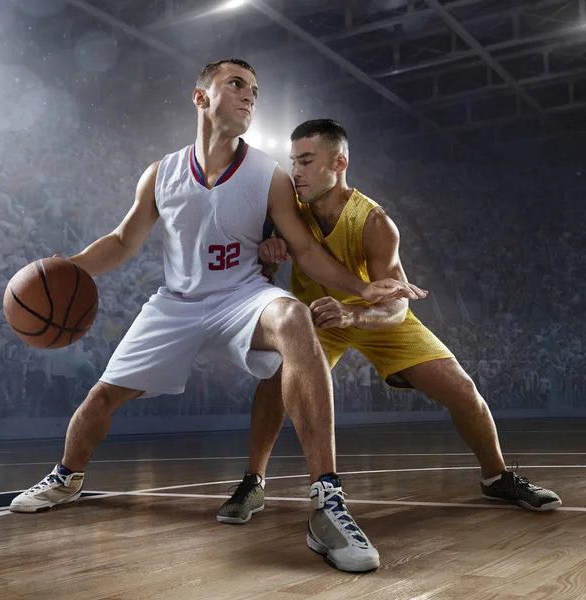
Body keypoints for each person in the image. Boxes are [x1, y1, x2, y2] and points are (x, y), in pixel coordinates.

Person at [10, 60, 426, 573]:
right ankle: (66, 477)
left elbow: (306, 251)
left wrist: (364, 287)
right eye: (236, 84)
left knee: (294, 319)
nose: (250, 95)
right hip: (175, 304)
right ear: (200, 97)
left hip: (241, 298)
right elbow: (122, 243)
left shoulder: (269, 175)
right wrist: (62, 271)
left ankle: (327, 501)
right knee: (101, 397)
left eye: (255, 89)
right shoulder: (161, 173)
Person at [216, 119, 561, 531]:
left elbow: (396, 308)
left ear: (339, 161)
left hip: (372, 316)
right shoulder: (290, 208)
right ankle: (253, 481)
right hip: (316, 318)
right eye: (294, 162)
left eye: (307, 161)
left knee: (464, 391)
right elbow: (261, 269)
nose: (297, 171)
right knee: (273, 381)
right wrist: (270, 254)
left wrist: (353, 313)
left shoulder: (375, 222)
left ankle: (497, 477)